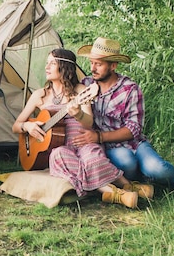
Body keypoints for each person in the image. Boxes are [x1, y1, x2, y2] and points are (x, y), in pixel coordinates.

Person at [11, 48, 154, 209]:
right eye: (47, 63)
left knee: (92, 159)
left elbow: (88, 123)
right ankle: (122, 189)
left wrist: (78, 114)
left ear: (65, 68)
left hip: (84, 142)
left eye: (52, 63)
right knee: (57, 156)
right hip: (61, 146)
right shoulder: (39, 95)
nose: (47, 67)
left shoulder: (80, 91)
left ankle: (118, 192)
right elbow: (16, 126)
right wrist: (28, 126)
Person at [75, 37, 174, 193]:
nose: (93, 68)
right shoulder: (85, 85)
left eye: (98, 64)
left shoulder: (129, 88)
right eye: (91, 62)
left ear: (113, 65)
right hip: (109, 149)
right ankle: (145, 179)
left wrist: (99, 137)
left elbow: (133, 129)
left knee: (157, 168)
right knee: (127, 163)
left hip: (135, 143)